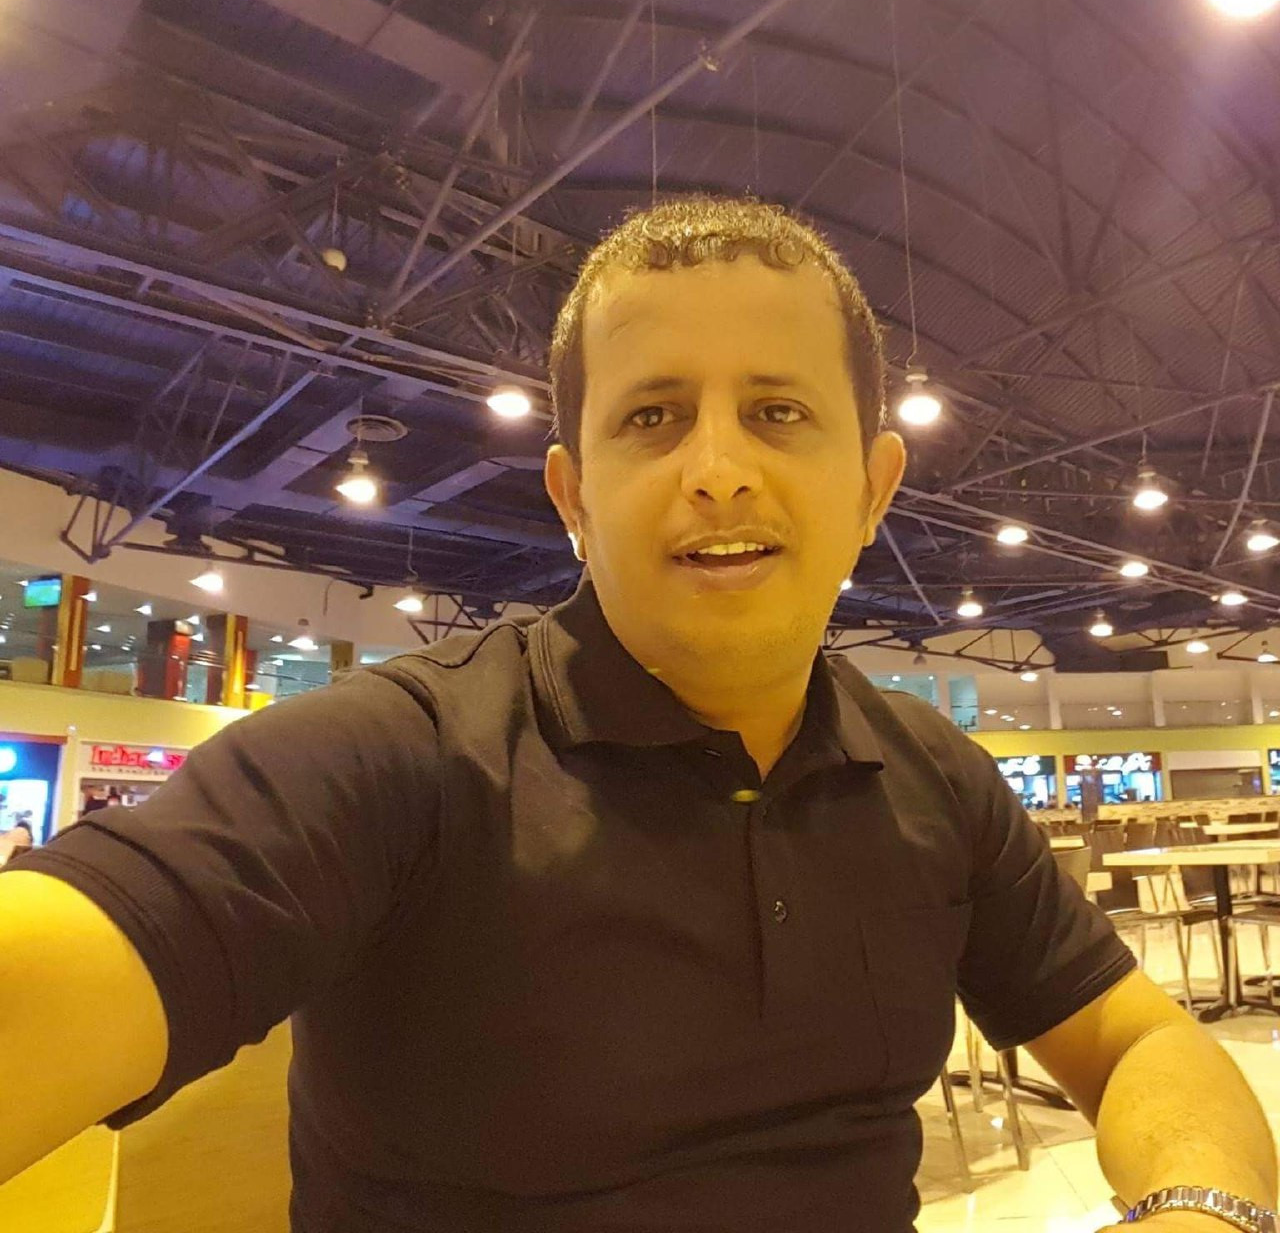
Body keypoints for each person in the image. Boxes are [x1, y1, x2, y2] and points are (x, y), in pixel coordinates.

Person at [1, 197, 1274, 1232]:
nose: (715, 468)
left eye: (777, 412)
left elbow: (1135, 1035)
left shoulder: (927, 771)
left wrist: (1196, 1208)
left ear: (871, 486)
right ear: (572, 495)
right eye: (652, 417)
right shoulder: (398, 757)